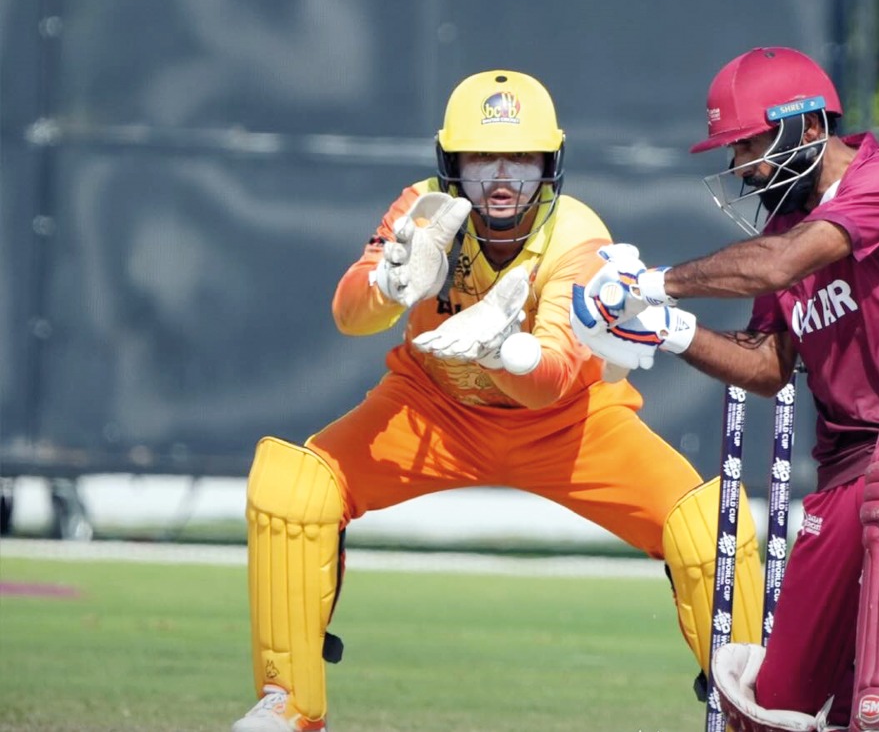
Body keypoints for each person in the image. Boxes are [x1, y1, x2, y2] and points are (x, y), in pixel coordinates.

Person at [231, 69, 764, 732]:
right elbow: (348, 314)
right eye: (482, 157)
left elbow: (554, 379)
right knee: (292, 488)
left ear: (550, 161)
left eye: (522, 158)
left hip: (569, 425)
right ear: (451, 162)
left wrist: (499, 350)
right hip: (432, 406)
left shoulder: (577, 235)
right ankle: (288, 703)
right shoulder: (424, 208)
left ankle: (751, 715)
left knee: (711, 528)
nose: (502, 177)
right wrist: (388, 288)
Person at [571, 47, 879, 732]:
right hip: (851, 482)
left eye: (750, 144)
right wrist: (668, 331)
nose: (742, 167)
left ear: (809, 127)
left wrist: (653, 283)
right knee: (777, 708)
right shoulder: (783, 233)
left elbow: (779, 265)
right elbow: (767, 365)